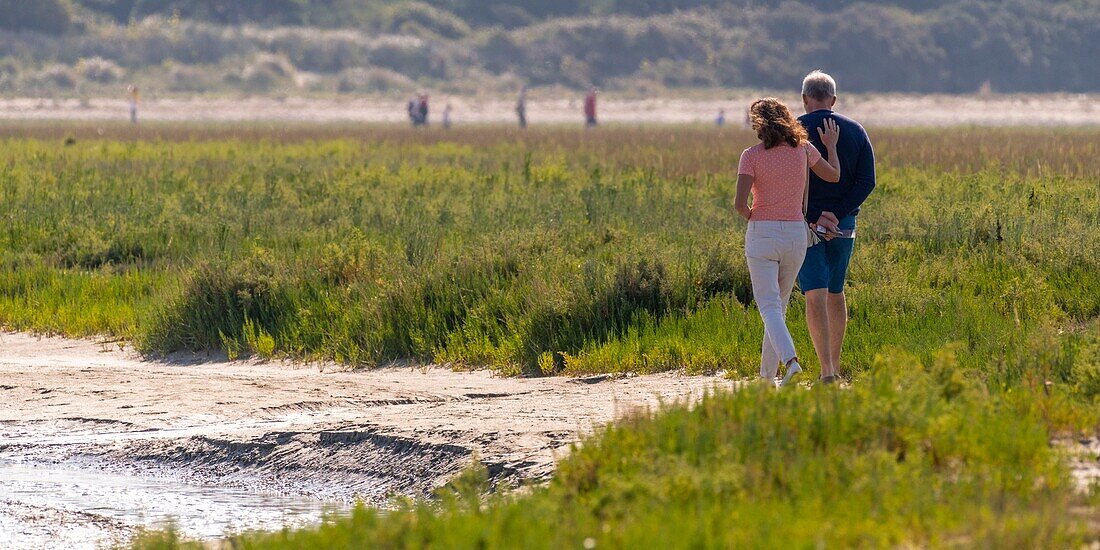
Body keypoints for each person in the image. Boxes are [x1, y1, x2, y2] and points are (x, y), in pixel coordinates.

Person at [735, 97, 841, 387]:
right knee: (777, 308)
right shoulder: (804, 149)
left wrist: (757, 221)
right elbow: (834, 176)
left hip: (763, 233)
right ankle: (766, 378)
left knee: (768, 306)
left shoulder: (751, 155)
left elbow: (740, 204)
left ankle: (791, 362)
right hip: (795, 235)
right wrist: (831, 147)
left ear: (759, 124)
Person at [796, 70, 876, 385]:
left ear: (804, 99)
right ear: (833, 99)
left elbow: (790, 181)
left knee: (813, 293)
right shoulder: (856, 131)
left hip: (805, 224)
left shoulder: (794, 132)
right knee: (836, 291)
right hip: (845, 225)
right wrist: (837, 212)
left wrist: (816, 215)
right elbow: (866, 182)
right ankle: (836, 365)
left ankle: (826, 369)